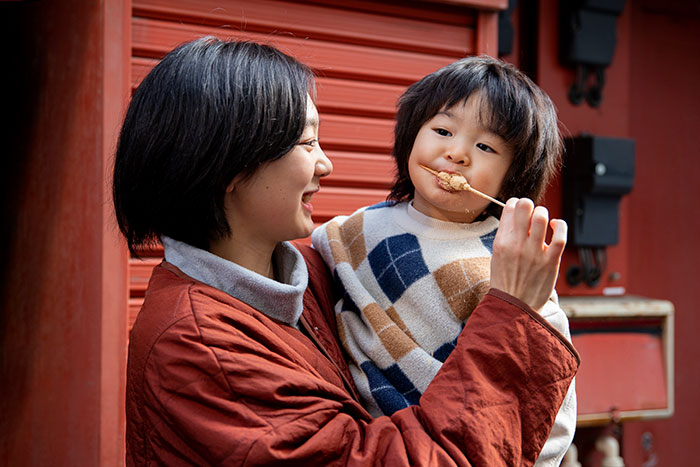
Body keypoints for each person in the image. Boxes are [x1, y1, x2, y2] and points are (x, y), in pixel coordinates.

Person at [114, 37, 579, 466]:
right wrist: (514, 315)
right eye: (307, 141)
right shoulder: (199, 346)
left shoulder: (316, 273)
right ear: (231, 167)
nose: (326, 165)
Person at [311, 56, 577, 466]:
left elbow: (544, 387)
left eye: (485, 146)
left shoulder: (508, 262)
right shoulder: (354, 231)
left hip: (460, 444)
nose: (456, 153)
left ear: (515, 176)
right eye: (442, 130)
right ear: (410, 134)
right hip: (375, 445)